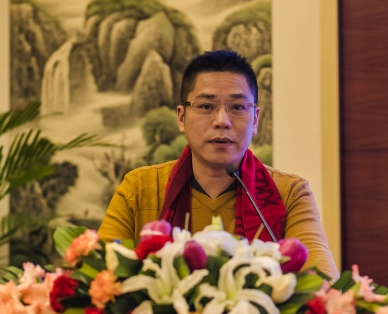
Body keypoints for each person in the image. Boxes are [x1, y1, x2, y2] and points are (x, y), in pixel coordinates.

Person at [98, 50, 338, 278]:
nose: (222, 121)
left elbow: (323, 282)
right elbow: (98, 276)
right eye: (206, 107)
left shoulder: (290, 193)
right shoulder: (140, 188)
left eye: (237, 107)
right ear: (181, 118)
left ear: (255, 119)